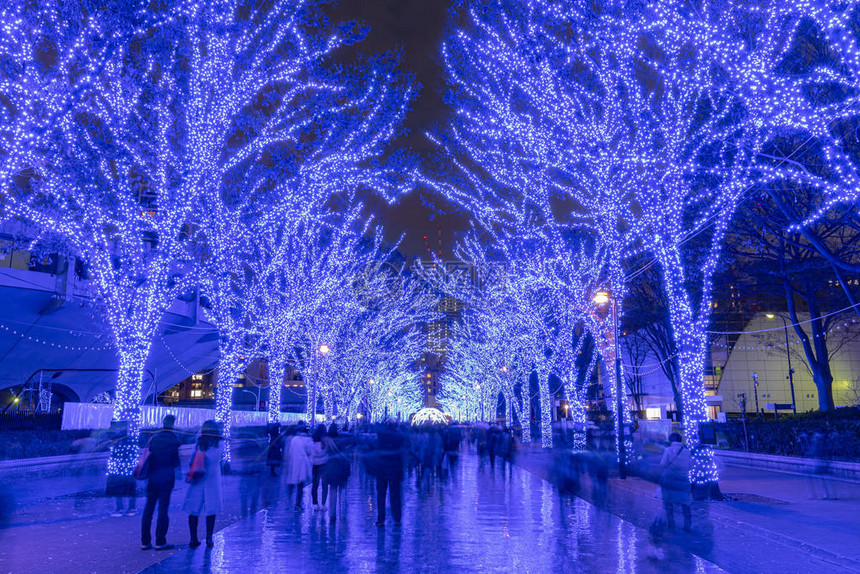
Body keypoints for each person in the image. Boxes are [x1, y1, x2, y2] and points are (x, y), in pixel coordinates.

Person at [141, 414, 181, 550]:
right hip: (167, 478)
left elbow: (149, 456)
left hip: (152, 477)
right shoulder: (174, 440)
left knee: (148, 509)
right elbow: (176, 462)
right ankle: (160, 541)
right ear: (173, 423)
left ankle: (145, 542)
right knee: (163, 510)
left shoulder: (154, 438)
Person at [183, 420, 224, 548]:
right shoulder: (220, 444)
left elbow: (191, 460)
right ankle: (209, 538)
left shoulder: (199, 444)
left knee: (194, 510)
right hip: (212, 480)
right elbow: (219, 460)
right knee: (211, 510)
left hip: (198, 479)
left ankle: (193, 538)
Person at [659, 432, 692, 532]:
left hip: (670, 479)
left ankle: (671, 525)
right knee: (685, 503)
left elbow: (663, 464)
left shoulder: (668, 450)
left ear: (671, 440)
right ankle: (687, 525)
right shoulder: (687, 451)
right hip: (683, 480)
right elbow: (690, 466)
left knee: (668, 503)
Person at [375, 421, 405, 526]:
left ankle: (380, 519)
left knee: (381, 494)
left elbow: (377, 451)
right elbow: (402, 453)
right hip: (395, 469)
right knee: (395, 494)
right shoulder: (399, 436)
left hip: (382, 468)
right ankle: (397, 518)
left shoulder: (381, 436)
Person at [321, 424, 350, 522]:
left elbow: (323, 455)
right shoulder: (342, 441)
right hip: (341, 469)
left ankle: (332, 515)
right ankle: (343, 514)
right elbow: (346, 456)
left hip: (330, 469)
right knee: (342, 491)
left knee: (332, 490)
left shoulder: (325, 442)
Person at [284, 422, 314, 510]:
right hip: (303, 465)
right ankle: (298, 504)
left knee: (292, 482)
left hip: (293, 464)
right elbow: (311, 453)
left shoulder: (294, 439)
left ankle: (288, 501)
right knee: (300, 485)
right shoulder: (308, 440)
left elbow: (290, 452)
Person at [310, 425, 328, 510]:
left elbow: (310, 453)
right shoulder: (325, 441)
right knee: (325, 485)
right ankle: (323, 504)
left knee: (315, 484)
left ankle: (315, 503)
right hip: (324, 464)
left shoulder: (312, 441)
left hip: (315, 464)